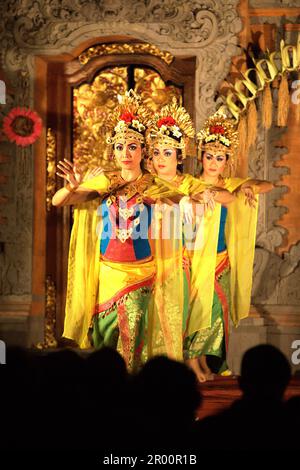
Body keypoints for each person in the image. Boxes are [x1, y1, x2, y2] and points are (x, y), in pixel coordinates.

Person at [52, 91, 199, 371]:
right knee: (104, 340)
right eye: (120, 147)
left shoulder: (151, 183)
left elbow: (177, 197)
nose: (125, 153)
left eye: (132, 146)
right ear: (113, 150)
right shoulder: (105, 180)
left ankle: (129, 395)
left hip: (139, 274)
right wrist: (72, 186)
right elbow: (59, 201)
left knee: (130, 341)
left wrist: (190, 201)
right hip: (106, 274)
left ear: (143, 150)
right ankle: (110, 394)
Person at [147, 100, 236, 382]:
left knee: (179, 314)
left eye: (168, 152)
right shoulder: (145, 182)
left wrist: (205, 196)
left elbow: (225, 197)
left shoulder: (187, 183)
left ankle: (182, 368)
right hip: (147, 261)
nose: (161, 158)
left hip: (180, 258)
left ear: (179, 156)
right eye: (157, 152)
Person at [184, 111, 274, 380]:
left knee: (215, 313)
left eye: (219, 158)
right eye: (209, 156)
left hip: (221, 258)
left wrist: (250, 186)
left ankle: (203, 363)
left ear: (226, 162)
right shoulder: (190, 184)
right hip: (194, 257)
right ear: (201, 157)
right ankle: (192, 362)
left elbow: (267, 185)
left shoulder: (231, 185)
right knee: (197, 311)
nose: (213, 163)